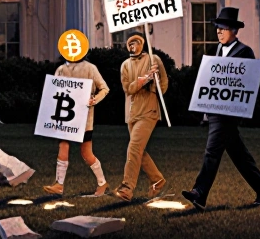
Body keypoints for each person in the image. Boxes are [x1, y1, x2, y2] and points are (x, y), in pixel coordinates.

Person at [181, 7, 260, 210]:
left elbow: (248, 83)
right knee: (238, 154)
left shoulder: (244, 52)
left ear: (234, 30)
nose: (219, 31)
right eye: (217, 28)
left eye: (223, 28)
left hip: (229, 113)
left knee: (212, 151)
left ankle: (199, 192)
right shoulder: (216, 50)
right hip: (215, 110)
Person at [43, 52, 111, 196]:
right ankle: (59, 184)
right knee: (63, 145)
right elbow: (54, 91)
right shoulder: (61, 69)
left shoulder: (90, 68)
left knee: (86, 152)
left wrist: (95, 99)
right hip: (65, 117)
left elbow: (104, 88)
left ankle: (102, 182)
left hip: (84, 118)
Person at [114, 33, 167, 201]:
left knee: (134, 148)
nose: (133, 46)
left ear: (142, 43)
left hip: (149, 111)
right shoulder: (125, 65)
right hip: (131, 114)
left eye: (136, 43)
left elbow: (163, 85)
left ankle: (127, 187)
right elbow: (128, 88)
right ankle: (157, 180)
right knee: (139, 150)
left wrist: (155, 80)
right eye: (130, 43)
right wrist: (144, 79)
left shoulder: (154, 60)